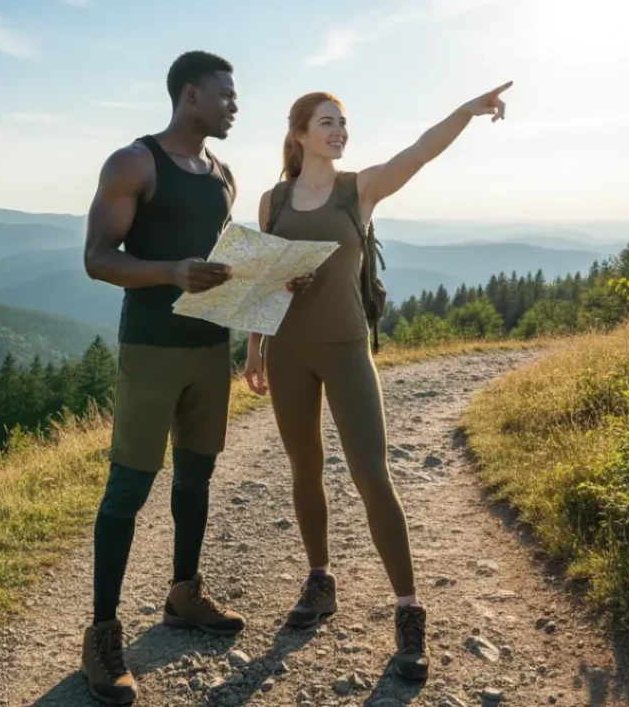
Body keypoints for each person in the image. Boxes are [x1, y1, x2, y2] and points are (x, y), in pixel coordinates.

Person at [243, 81, 513, 682]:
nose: (339, 131)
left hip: (345, 351)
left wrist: (464, 110)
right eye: (327, 123)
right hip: (287, 353)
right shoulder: (273, 202)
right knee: (303, 468)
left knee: (370, 472)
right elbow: (262, 280)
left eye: (343, 123)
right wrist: (255, 348)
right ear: (300, 134)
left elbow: (418, 152)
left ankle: (409, 608)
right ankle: (319, 582)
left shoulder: (356, 189)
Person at [80, 50, 246, 705]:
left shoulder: (224, 174)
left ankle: (184, 594)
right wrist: (170, 271)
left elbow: (220, 264)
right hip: (150, 346)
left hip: (213, 348)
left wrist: (264, 281)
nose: (235, 105)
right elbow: (97, 258)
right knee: (127, 487)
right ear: (190, 95)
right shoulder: (133, 162)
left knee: (197, 474)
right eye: (226, 95)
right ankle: (100, 635)